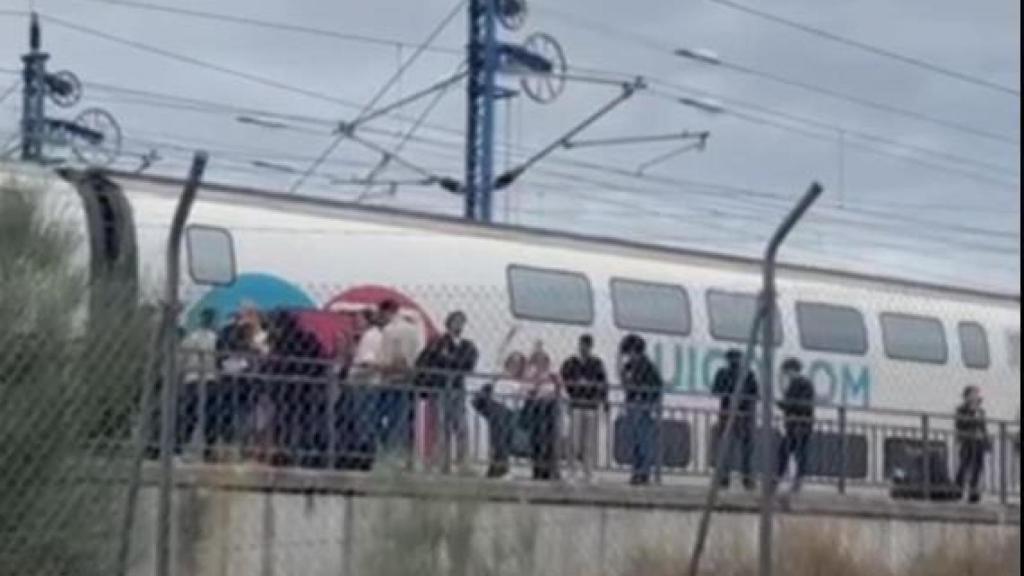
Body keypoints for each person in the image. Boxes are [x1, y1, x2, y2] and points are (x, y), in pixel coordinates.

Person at [415, 311, 479, 471]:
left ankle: (463, 462)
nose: (459, 325)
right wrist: (450, 362)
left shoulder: (467, 345)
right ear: (448, 323)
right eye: (456, 321)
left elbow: (468, 364)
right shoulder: (438, 342)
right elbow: (426, 361)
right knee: (442, 425)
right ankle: (442, 462)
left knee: (460, 425)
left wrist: (448, 360)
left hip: (457, 388)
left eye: (461, 322)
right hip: (441, 387)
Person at [377, 300, 423, 457]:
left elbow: (387, 357)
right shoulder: (413, 330)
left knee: (386, 416)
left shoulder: (389, 330)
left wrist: (383, 367)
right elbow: (417, 355)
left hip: (391, 377)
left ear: (385, 312)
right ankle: (404, 452)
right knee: (403, 418)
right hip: (408, 377)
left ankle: (388, 450)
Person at [560, 334, 608, 483]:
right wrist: (575, 386)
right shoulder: (570, 363)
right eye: (582, 345)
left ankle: (588, 471)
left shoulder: (597, 363)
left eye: (587, 346)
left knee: (589, 442)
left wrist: (601, 399)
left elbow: (603, 383)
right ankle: (571, 471)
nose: (584, 348)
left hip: (591, 406)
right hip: (576, 404)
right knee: (574, 440)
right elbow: (564, 380)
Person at [472, 352, 528, 478]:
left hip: (512, 412)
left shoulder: (522, 382)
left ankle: (498, 466)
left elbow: (521, 400)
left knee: (503, 434)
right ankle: (500, 465)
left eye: (517, 363)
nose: (514, 366)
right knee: (499, 432)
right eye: (512, 362)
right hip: (497, 409)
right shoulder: (500, 377)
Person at [712, 349, 759, 491]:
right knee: (746, 450)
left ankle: (724, 478)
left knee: (726, 448)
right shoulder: (748, 374)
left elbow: (716, 391)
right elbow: (756, 394)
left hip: (727, 414)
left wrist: (728, 395)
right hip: (745, 415)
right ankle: (748, 479)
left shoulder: (722, 373)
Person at [619, 334, 663, 486]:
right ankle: (637, 472)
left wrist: (648, 402)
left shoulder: (647, 366)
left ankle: (643, 473)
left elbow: (657, 386)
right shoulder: (630, 366)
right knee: (636, 442)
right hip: (633, 405)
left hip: (643, 406)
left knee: (643, 441)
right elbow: (625, 384)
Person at [177, 308, 218, 454]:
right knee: (208, 416)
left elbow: (181, 361)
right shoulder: (216, 339)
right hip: (209, 379)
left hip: (192, 378)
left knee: (190, 415)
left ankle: (182, 445)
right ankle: (209, 448)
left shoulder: (190, 338)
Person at [523, 343, 562, 481]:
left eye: (543, 359)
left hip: (550, 406)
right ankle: (538, 468)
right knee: (537, 438)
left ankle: (550, 468)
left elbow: (559, 388)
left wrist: (555, 382)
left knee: (551, 438)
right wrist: (537, 381)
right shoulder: (531, 373)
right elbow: (528, 390)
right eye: (538, 359)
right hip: (537, 406)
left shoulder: (552, 374)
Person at [776, 358, 815, 493]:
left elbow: (800, 404)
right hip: (797, 424)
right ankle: (790, 480)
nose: (786, 375)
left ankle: (782, 480)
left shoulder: (801, 384)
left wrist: (784, 405)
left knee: (789, 452)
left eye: (787, 372)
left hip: (799, 424)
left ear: (792, 370)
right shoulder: (802, 383)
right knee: (793, 453)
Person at [954, 385, 989, 504]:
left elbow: (983, 427)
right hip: (967, 441)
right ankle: (958, 491)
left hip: (978, 442)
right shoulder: (961, 409)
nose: (976, 396)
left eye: (977, 394)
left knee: (977, 468)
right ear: (967, 396)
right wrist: (972, 413)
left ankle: (973, 493)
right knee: (964, 466)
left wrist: (986, 441)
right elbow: (960, 424)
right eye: (973, 394)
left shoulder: (981, 411)